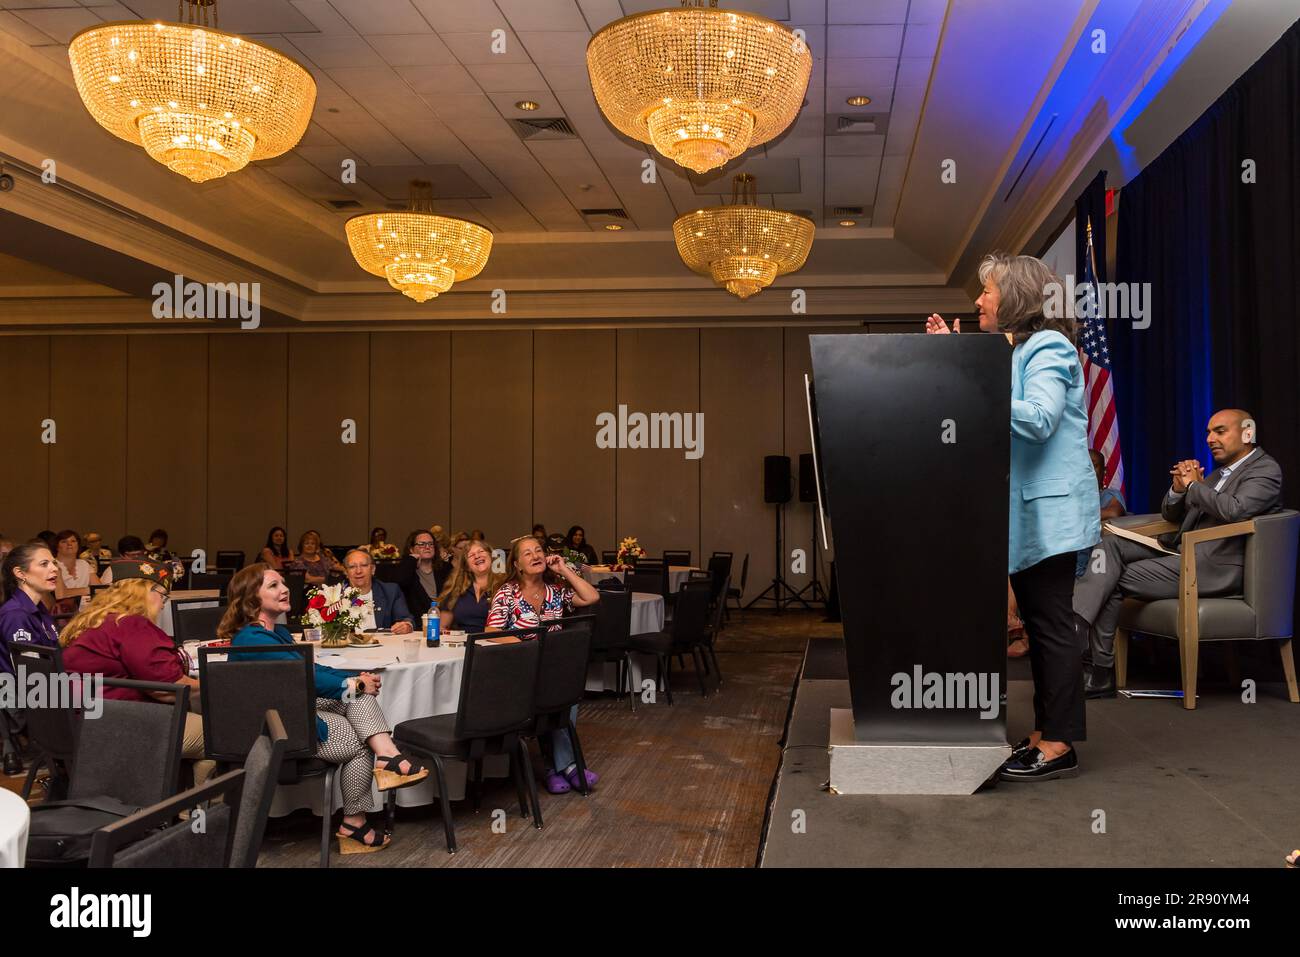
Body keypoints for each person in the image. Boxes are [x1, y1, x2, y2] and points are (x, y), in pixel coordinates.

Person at [928, 251, 1098, 782]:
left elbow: (1040, 419)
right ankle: (1048, 730)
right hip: (1031, 519)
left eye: (987, 291)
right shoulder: (1021, 352)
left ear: (1017, 298)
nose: (979, 300)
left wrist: (965, 375)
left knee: (1050, 628)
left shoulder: (1048, 345)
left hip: (1052, 517)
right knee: (1044, 625)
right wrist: (961, 362)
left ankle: (1059, 744)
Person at [1072, 409, 1282, 699]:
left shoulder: (1265, 470)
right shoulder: (1221, 472)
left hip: (1213, 568)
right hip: (1183, 553)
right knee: (1109, 546)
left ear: (1248, 433)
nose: (1210, 439)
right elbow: (1171, 514)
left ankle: (1096, 668)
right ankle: (1078, 625)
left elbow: (1235, 510)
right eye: (1208, 432)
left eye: (1220, 431)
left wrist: (1194, 485)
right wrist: (1177, 489)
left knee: (1112, 576)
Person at [222, 565, 428, 852]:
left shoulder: (277, 633)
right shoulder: (252, 640)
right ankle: (355, 821)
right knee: (359, 737)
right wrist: (355, 684)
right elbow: (307, 678)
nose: (285, 589)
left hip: (294, 708)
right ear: (250, 598)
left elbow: (314, 668)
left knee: (358, 696)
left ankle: (386, 756)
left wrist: (354, 682)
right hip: (281, 725)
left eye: (283, 582)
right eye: (273, 585)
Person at [59, 559, 214, 790]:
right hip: (120, 728)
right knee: (220, 732)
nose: (163, 604)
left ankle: (178, 799)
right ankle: (193, 816)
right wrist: (214, 683)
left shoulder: (92, 620)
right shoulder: (131, 625)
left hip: (83, 723)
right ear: (146, 591)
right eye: (163, 595)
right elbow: (166, 690)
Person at [486, 535, 600, 794]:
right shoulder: (507, 593)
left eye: (538, 550)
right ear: (516, 564)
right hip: (519, 667)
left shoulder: (556, 590)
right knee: (555, 693)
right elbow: (491, 629)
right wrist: (527, 647)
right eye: (527, 553)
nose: (536, 555)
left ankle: (553, 767)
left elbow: (591, 597)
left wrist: (564, 570)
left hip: (551, 666)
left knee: (565, 691)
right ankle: (569, 766)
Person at [0, 543, 62, 776]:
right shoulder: (16, 614)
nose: (54, 569)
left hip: (48, 696)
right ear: (21, 573)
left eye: (54, 562)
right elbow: (33, 677)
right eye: (44, 564)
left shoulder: (38, 609)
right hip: (34, 709)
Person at [438, 540, 505, 634]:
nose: (477, 556)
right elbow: (442, 626)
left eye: (481, 551)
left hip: (496, 643)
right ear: (467, 567)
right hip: (463, 644)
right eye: (471, 555)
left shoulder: (505, 586)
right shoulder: (456, 589)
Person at [342, 549, 414, 633]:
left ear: (372, 569)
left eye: (364, 565)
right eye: (352, 567)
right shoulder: (336, 596)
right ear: (346, 572)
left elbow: (405, 619)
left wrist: (407, 625)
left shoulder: (390, 591)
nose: (358, 571)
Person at [395, 529, 448, 621]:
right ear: (411, 549)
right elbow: (400, 583)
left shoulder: (444, 569)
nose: (427, 547)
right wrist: (411, 560)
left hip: (445, 622)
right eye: (421, 544)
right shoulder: (407, 571)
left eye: (430, 544)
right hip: (418, 625)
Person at [52, 529, 98, 612]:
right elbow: (61, 595)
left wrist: (72, 592)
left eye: (73, 541)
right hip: (62, 613)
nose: (69, 544)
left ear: (78, 545)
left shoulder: (84, 564)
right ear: (57, 547)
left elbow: (99, 589)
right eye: (64, 541)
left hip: (86, 610)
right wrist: (87, 590)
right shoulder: (53, 565)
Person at [1090, 450, 1127, 521]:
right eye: (1086, 467)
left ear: (1104, 471)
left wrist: (1077, 515)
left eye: (1094, 466)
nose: (1089, 470)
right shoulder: (1074, 497)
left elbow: (1113, 513)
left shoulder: (1109, 494)